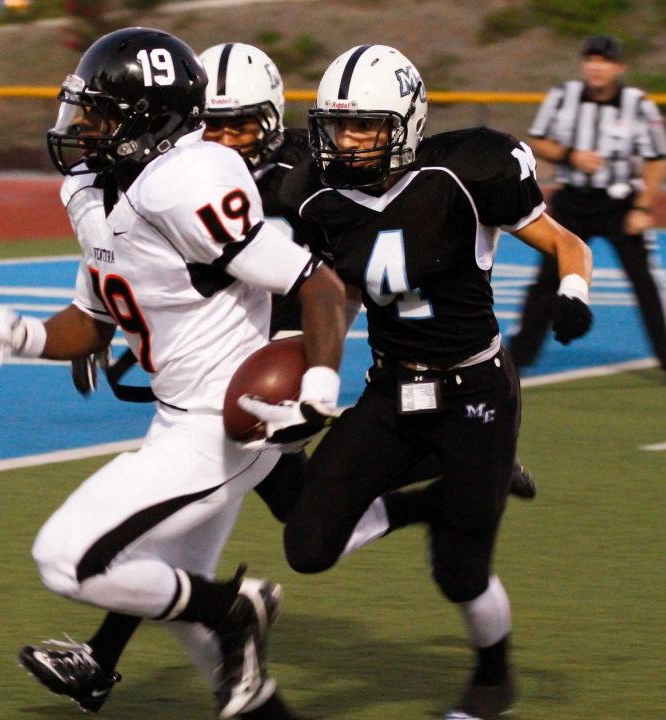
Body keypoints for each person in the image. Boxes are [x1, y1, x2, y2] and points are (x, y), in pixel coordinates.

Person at [46, 40, 541, 717]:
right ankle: (440, 494)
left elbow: (329, 281)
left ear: (273, 121)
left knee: (228, 506)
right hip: (232, 372)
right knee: (294, 528)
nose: (221, 138)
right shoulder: (179, 176)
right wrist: (109, 321)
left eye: (240, 124)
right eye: (210, 123)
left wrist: (306, 365)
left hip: (283, 369)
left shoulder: (302, 180)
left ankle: (113, 653)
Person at [0, 27, 347, 720]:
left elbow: (317, 283)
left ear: (150, 123)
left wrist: (320, 384)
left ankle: (240, 607)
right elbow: (94, 316)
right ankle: (234, 644)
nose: (83, 127)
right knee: (194, 632)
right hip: (175, 420)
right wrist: (24, 336)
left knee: (69, 559)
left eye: (102, 114)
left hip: (225, 427)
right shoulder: (102, 190)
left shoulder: (186, 184)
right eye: (82, 110)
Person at [242, 45, 593, 720]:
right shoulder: (316, 192)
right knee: (308, 545)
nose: (347, 140)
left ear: (406, 121)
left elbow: (565, 244)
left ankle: (494, 677)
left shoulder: (469, 171)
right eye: (337, 125)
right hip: (392, 387)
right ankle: (429, 501)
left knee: (460, 573)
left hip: (475, 393)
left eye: (365, 125)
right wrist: (317, 376)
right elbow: (338, 294)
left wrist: (573, 291)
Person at [508, 34, 666, 371]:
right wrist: (571, 155)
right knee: (547, 282)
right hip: (573, 201)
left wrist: (642, 208)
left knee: (645, 283)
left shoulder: (638, 104)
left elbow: (655, 158)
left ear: (619, 67)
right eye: (591, 60)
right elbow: (538, 140)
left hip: (620, 203)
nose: (596, 67)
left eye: (604, 61)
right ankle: (519, 357)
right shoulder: (563, 97)